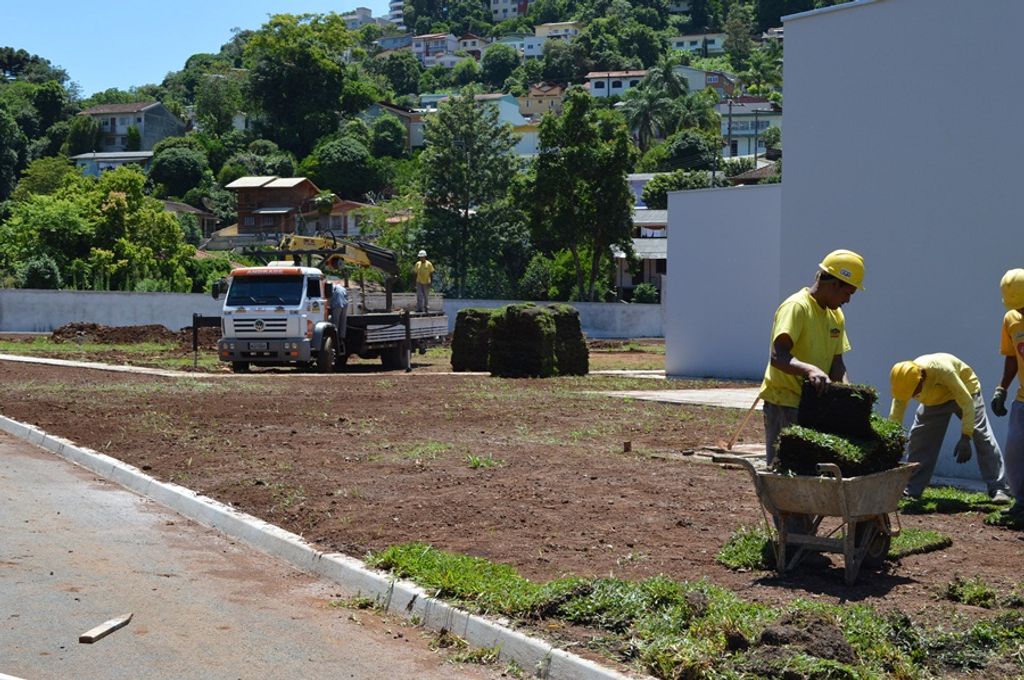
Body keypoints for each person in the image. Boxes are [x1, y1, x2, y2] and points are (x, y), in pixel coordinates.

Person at [758, 249, 864, 466]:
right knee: (785, 470)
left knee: (808, 470)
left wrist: (846, 393)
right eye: (848, 293)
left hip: (814, 404)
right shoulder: (797, 307)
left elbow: (837, 362)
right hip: (785, 403)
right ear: (834, 284)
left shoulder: (836, 315)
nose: (848, 300)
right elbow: (778, 356)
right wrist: (809, 369)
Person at [889, 354, 1011, 502]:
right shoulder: (903, 381)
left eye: (915, 391)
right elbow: (897, 412)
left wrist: (966, 437)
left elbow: (966, 403)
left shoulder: (942, 371)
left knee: (982, 435)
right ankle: (912, 489)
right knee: (919, 439)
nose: (914, 395)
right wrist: (892, 438)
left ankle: (999, 488)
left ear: (921, 377)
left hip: (966, 391)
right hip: (935, 400)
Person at [992, 268, 1024, 515]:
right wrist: (1002, 387)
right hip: (1022, 400)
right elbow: (1012, 356)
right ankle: (1021, 504)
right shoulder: (1011, 320)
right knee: (1014, 453)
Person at [329, 280, 348, 345]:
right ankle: (341, 338)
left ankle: (335, 338)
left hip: (337, 304)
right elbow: (346, 296)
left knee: (335, 322)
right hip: (344, 304)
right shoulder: (343, 288)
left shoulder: (332, 287)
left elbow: (329, 296)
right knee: (343, 322)